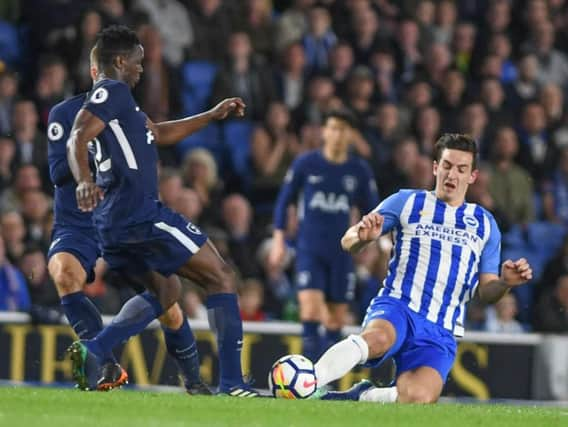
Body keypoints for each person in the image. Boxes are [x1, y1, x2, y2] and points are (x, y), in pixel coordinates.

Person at [66, 25, 258, 397]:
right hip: (139, 214)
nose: (141, 69)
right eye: (138, 62)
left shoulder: (124, 109)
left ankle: (97, 348)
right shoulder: (113, 90)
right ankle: (233, 384)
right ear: (120, 61)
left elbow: (158, 133)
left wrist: (210, 115)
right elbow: (78, 135)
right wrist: (83, 180)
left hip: (114, 223)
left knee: (168, 288)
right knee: (221, 276)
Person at [314, 133, 532, 403]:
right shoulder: (407, 201)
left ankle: (359, 396)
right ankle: (309, 381)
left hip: (440, 330)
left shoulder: (485, 224)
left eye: (461, 169)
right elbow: (347, 240)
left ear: (472, 177)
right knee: (377, 339)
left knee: (419, 397)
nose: (452, 175)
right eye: (447, 166)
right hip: (398, 307)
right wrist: (363, 238)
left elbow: (487, 291)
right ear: (435, 167)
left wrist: (505, 282)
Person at [47, 52, 210, 394]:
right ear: (94, 73)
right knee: (63, 271)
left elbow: (156, 141)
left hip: (124, 220)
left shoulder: (129, 115)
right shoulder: (64, 115)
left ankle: (195, 383)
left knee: (169, 305)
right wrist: (93, 158)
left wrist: (211, 115)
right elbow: (58, 173)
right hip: (79, 222)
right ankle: (105, 365)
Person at [269, 109, 379, 362]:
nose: (338, 134)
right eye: (333, 128)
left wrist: (370, 245)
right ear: (324, 132)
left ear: (351, 135)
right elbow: (283, 202)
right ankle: (309, 380)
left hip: (342, 253)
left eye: (343, 129)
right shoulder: (306, 164)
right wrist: (278, 240)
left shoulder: (358, 170)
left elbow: (372, 211)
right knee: (309, 310)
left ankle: (323, 379)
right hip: (309, 248)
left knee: (335, 319)